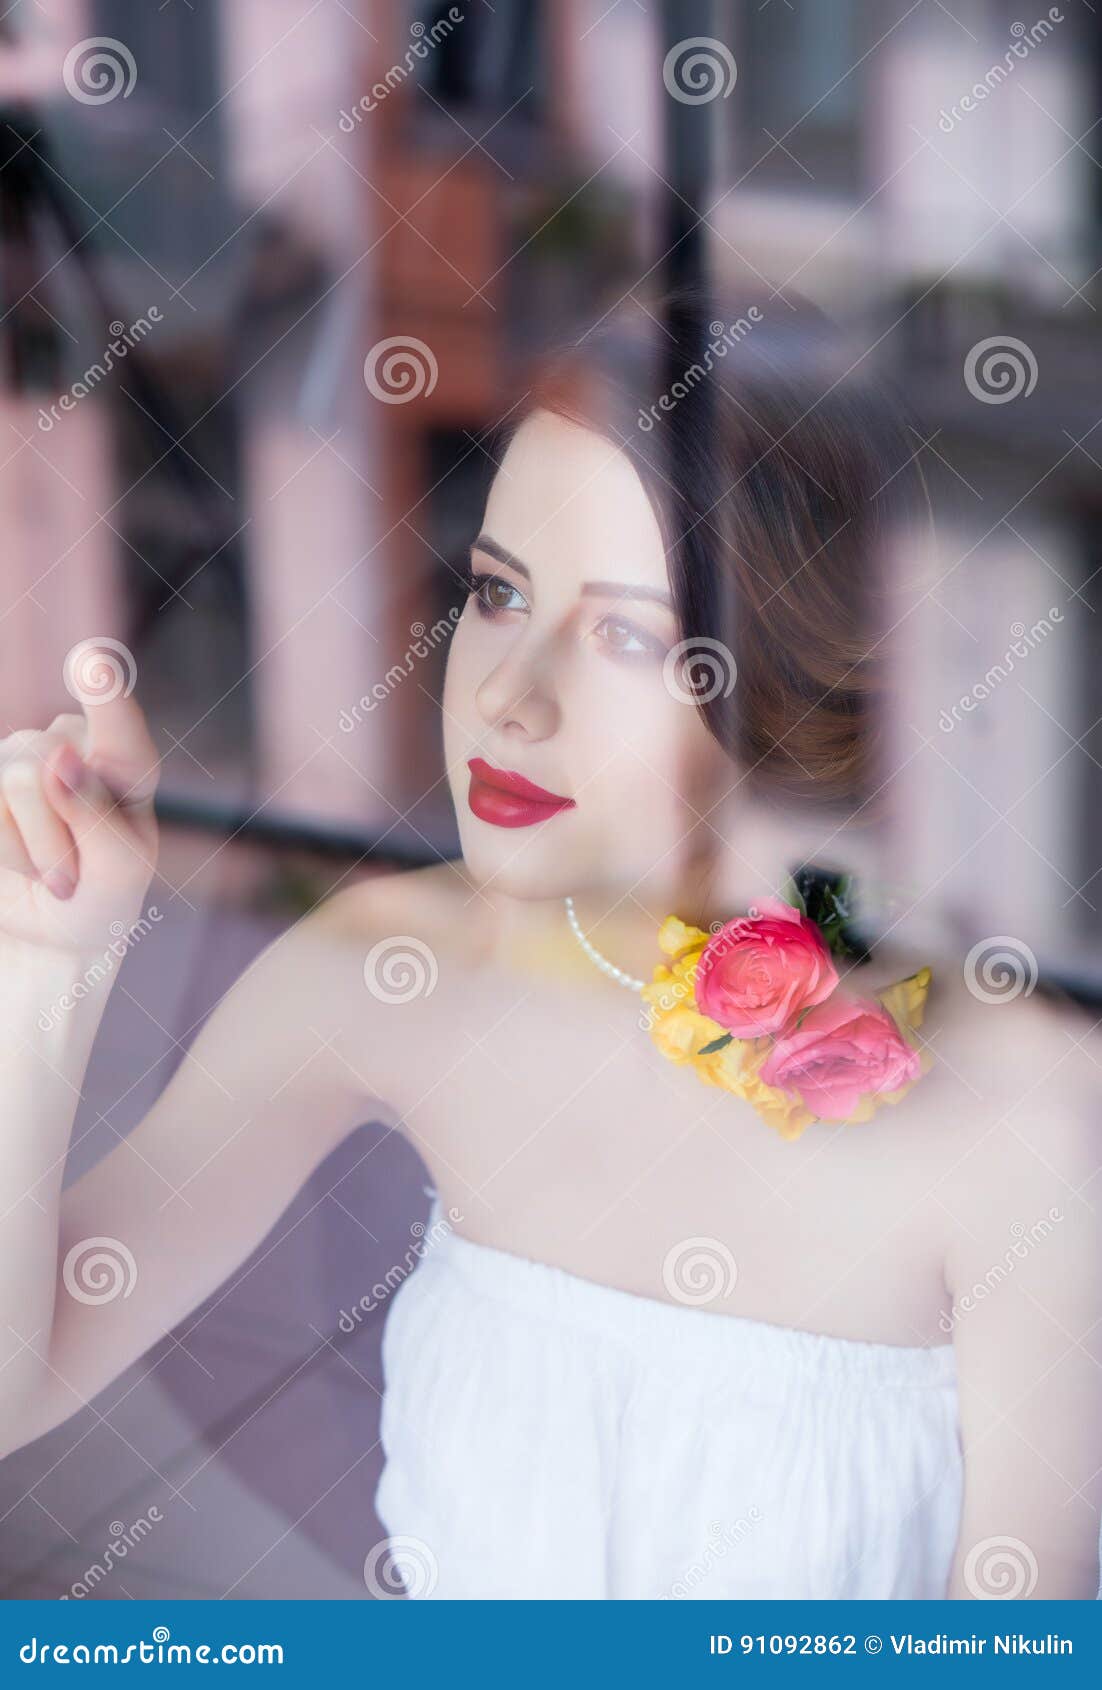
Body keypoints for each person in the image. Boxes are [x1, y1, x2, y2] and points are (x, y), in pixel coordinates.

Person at [0, 295, 1098, 1600]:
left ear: (800, 686)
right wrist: (49, 954)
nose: (510, 696)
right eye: (498, 592)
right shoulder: (392, 969)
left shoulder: (1028, 1111)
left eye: (628, 634)